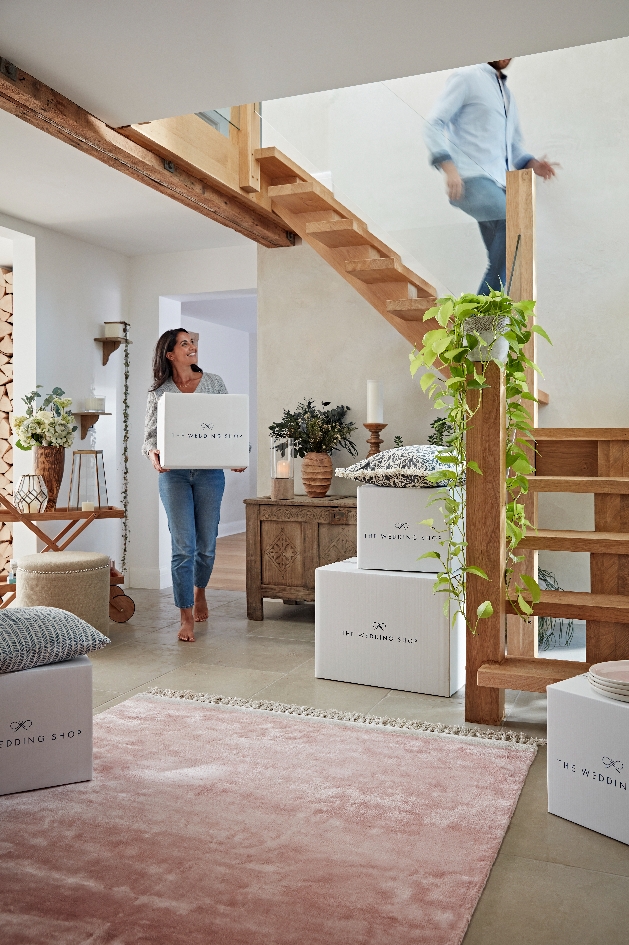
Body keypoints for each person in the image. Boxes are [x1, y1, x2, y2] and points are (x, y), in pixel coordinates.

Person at [142, 329, 246, 643]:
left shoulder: (214, 383)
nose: (192, 347)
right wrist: (153, 455)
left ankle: (201, 591)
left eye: (193, 342)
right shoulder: (159, 392)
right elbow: (149, 436)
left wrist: (239, 453)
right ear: (170, 353)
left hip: (209, 474)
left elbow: (232, 423)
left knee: (207, 545)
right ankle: (185, 615)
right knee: (183, 547)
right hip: (173, 475)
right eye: (184, 344)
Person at [423, 59, 557, 294]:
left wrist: (533, 164)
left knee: (505, 263)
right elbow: (433, 123)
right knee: (515, 224)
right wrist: (449, 168)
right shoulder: (467, 78)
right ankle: (477, 322)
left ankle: (477, 327)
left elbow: (511, 145)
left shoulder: (507, 96)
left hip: (499, 184)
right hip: (470, 179)